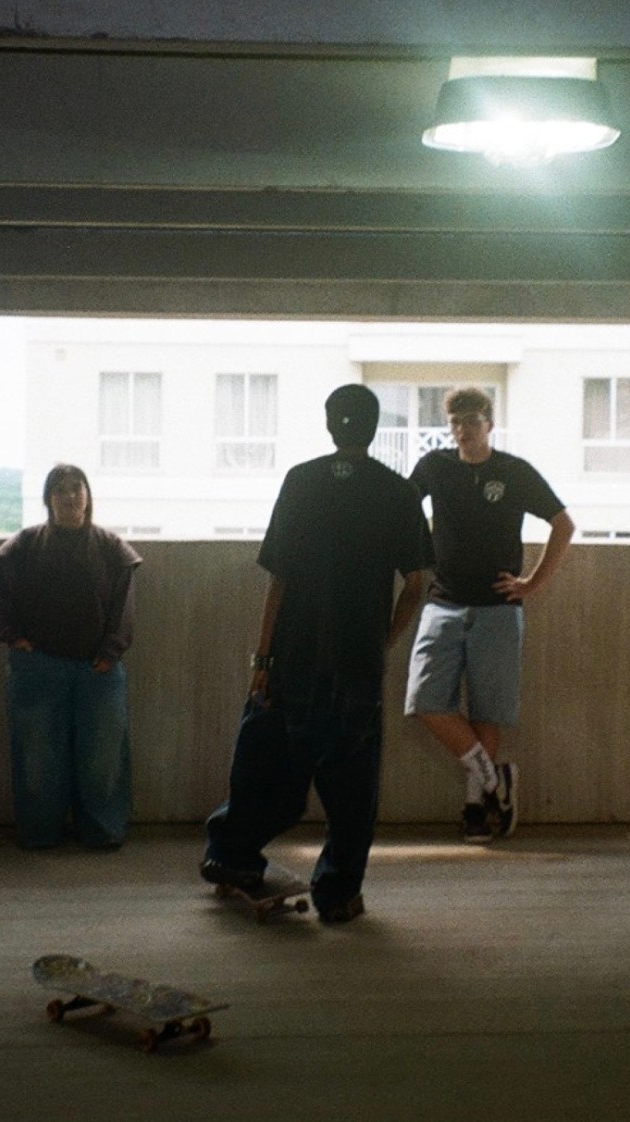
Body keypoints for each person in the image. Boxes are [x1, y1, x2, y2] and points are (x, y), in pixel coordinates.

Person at [200, 384, 432, 924]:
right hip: (357, 664)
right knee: (352, 790)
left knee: (266, 770)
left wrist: (262, 660)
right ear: (374, 428)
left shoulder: (300, 481)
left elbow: (278, 579)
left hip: (292, 659)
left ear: (330, 425)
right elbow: (417, 584)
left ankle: (231, 855)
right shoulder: (398, 492)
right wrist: (381, 641)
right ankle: (339, 894)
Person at [404, 386, 575, 843]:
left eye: (471, 421)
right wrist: (417, 553)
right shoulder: (434, 466)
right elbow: (402, 507)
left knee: (487, 709)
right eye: (455, 422)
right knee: (425, 701)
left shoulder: (513, 471)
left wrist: (532, 584)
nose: (462, 430)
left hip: (499, 606)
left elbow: (563, 524)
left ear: (489, 424)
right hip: (443, 601)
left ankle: (476, 807)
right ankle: (496, 779)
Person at [0, 464, 142, 850]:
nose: (70, 496)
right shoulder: (24, 545)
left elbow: (124, 607)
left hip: (99, 669)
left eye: (77, 488)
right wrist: (12, 637)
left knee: (102, 758)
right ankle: (40, 832)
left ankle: (102, 833)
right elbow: (1, 595)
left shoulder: (111, 547)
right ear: (48, 499)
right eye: (60, 489)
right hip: (38, 667)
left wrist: (110, 653)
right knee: (38, 758)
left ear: (88, 496)